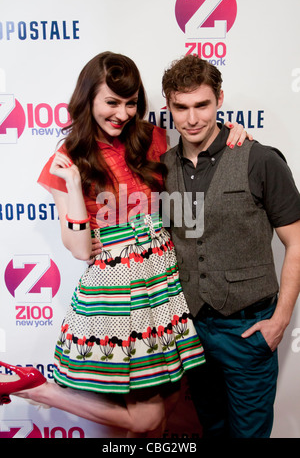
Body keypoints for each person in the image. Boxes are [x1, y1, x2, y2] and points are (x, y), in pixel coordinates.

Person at [0, 52, 247, 437]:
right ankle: (39, 388)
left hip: (164, 288)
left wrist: (234, 132)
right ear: (88, 100)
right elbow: (81, 249)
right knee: (148, 418)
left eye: (130, 102)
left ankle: (37, 388)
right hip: (118, 295)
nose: (123, 113)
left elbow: (203, 148)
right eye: (111, 102)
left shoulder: (153, 138)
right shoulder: (67, 159)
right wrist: (73, 187)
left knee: (162, 415)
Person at [160, 54, 300, 438]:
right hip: (190, 330)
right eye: (181, 107)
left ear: (219, 99)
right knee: (212, 428)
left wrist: (281, 320)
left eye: (202, 105)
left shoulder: (259, 159)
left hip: (247, 327)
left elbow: (297, 241)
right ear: (168, 107)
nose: (192, 119)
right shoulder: (161, 168)